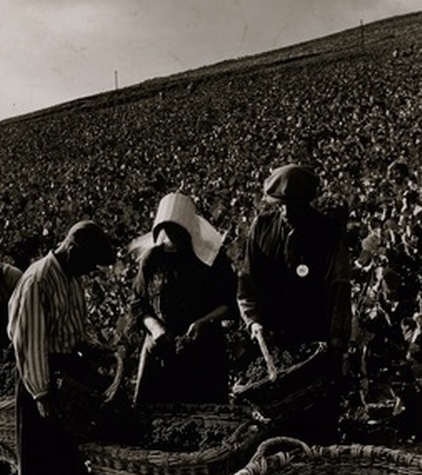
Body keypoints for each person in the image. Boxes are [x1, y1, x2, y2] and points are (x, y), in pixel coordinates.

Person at [7, 220, 115, 475]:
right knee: (38, 467)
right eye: (90, 263)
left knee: (63, 461)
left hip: (65, 373)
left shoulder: (72, 278)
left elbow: (73, 334)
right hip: (40, 378)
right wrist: (42, 395)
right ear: (73, 250)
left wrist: (96, 351)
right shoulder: (38, 281)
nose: (91, 271)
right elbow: (29, 344)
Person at [129, 192, 238, 405]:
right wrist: (155, 327)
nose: (171, 239)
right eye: (166, 233)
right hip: (161, 349)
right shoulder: (153, 259)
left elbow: (229, 302)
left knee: (203, 412)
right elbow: (138, 303)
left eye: (177, 233)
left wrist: (202, 322)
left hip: (204, 351)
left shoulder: (210, 259)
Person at [237, 163, 352, 360]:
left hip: (313, 334)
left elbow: (338, 289)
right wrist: (253, 321)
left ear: (308, 202)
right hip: (270, 334)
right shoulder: (261, 227)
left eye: (295, 206)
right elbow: (247, 280)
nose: (288, 212)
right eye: (282, 206)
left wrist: (336, 341)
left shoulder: (328, 231)